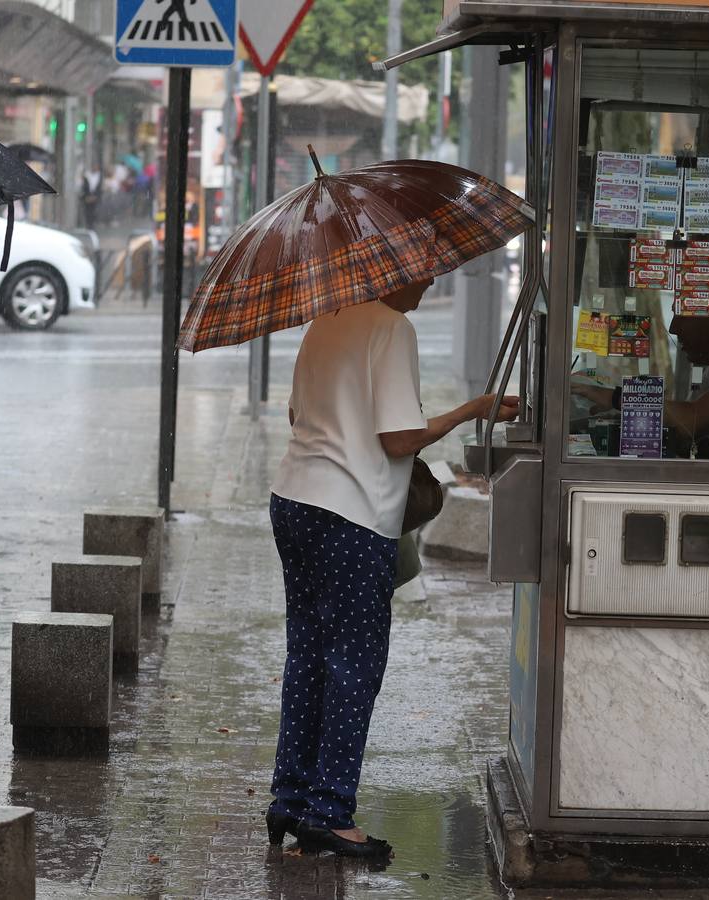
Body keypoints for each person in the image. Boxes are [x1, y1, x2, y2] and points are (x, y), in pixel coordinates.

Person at [265, 279, 519, 860]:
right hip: (350, 514)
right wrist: (473, 409)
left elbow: (296, 413)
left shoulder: (325, 318)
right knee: (355, 662)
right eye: (422, 266)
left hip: (294, 500)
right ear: (390, 268)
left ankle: (290, 797)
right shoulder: (392, 329)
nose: (429, 278)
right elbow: (399, 438)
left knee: (307, 653)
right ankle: (329, 812)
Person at [571, 267, 709, 459]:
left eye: (683, 316)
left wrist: (617, 398)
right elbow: (688, 432)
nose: (673, 328)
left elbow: (691, 420)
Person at [79, 162, 103, 231]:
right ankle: (88, 225)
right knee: (87, 211)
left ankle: (92, 225)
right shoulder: (87, 176)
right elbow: (84, 187)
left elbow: (99, 188)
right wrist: (87, 196)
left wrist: (95, 196)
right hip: (87, 197)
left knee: (94, 211)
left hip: (95, 198)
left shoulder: (99, 176)